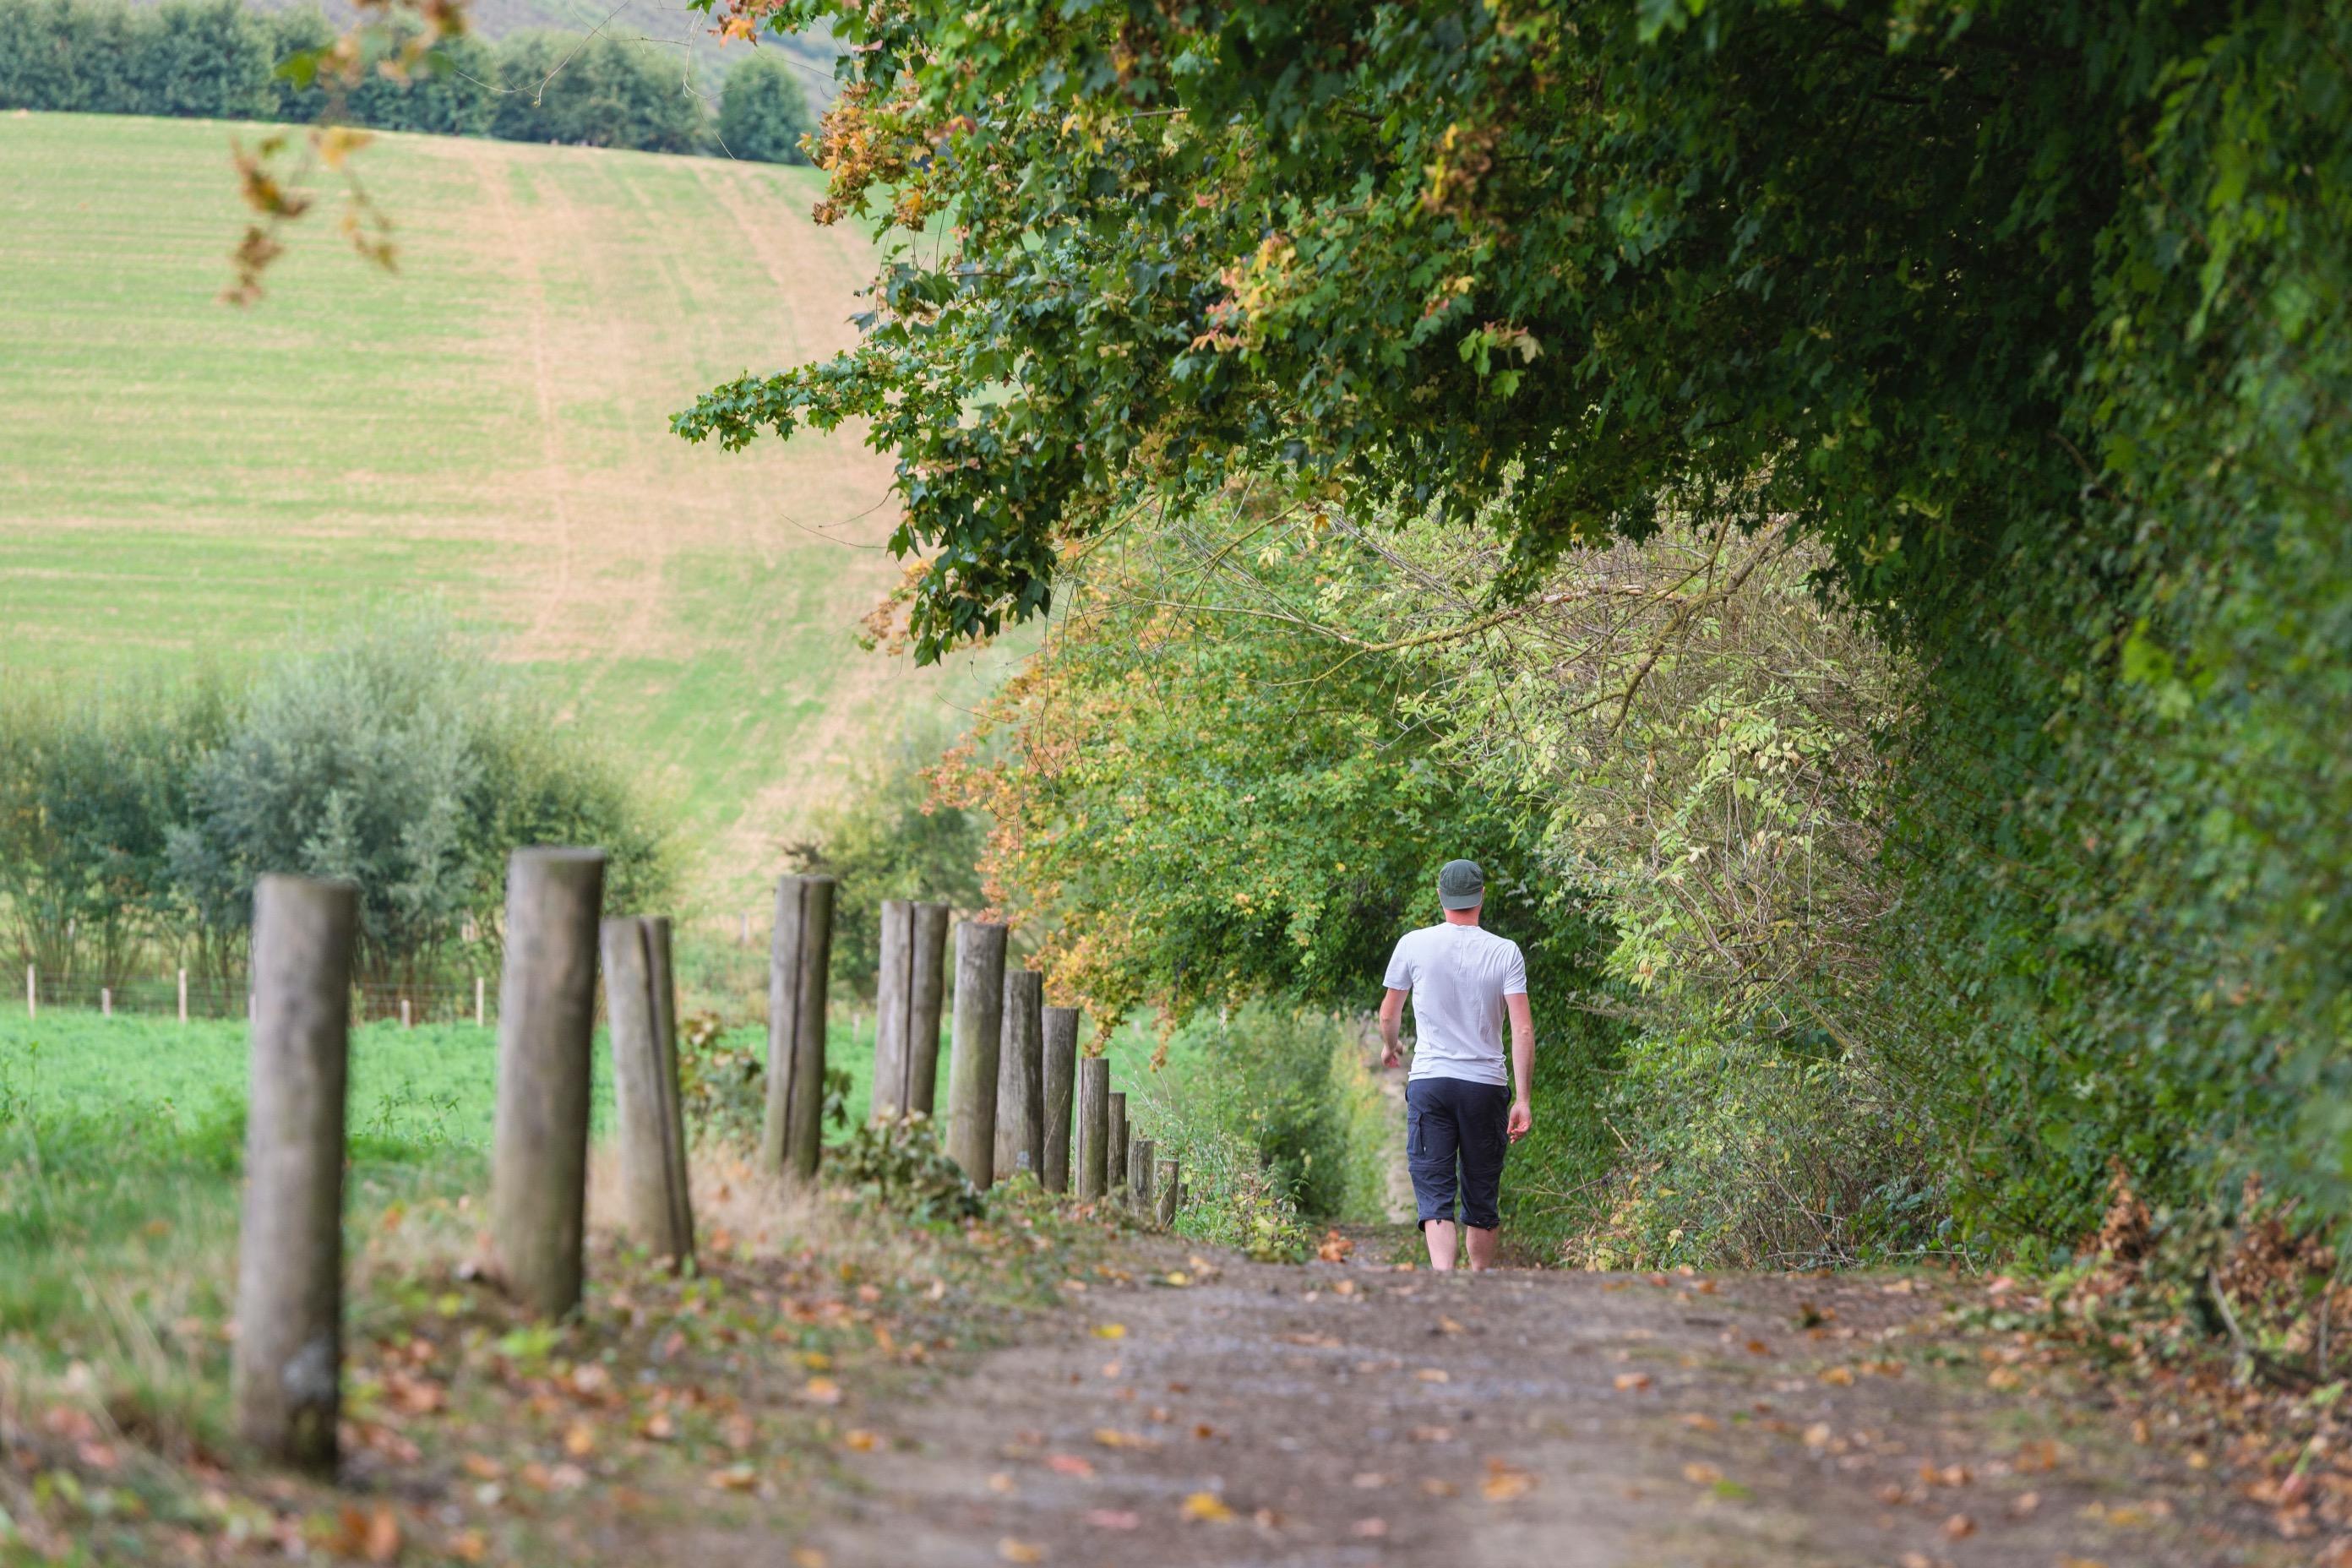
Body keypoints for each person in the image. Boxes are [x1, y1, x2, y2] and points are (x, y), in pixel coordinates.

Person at [1377, 859, 1533, 1271]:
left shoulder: (1413, 944)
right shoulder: (1505, 952)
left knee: (1435, 1193)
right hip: (1485, 1086)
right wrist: (1524, 1097)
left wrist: (1390, 1049)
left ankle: (1443, 1283)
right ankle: (1478, 1283)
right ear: (1482, 895)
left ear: (1440, 897)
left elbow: (1388, 1016)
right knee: (1481, 1192)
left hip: (1431, 1082)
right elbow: (1522, 1032)